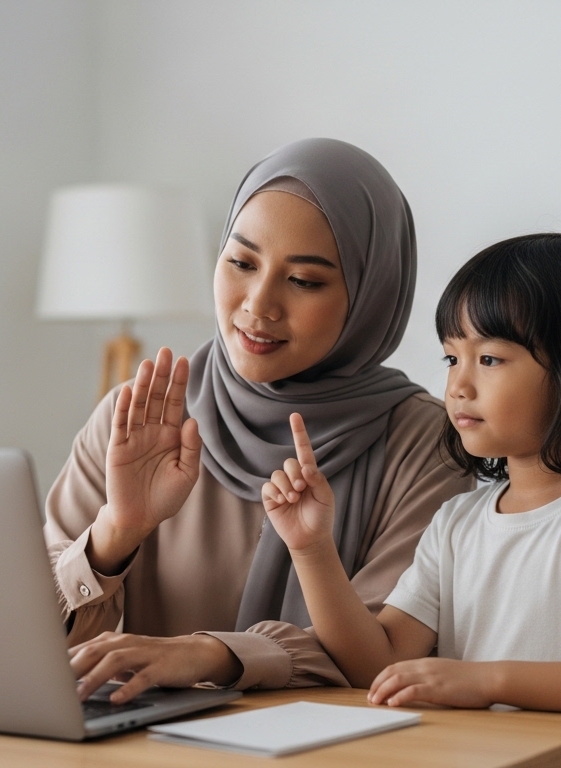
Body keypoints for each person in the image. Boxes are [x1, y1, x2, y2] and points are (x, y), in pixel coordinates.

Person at [51, 138, 474, 704]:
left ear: (371, 295)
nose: (258, 305)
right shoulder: (140, 419)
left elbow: (387, 660)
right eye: (241, 263)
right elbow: (30, 635)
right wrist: (115, 533)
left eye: (304, 281)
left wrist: (216, 655)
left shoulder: (425, 444)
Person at [261, 233, 561, 768]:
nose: (458, 385)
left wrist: (487, 679)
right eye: (453, 357)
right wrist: (312, 549)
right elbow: (376, 663)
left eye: (490, 358)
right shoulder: (457, 522)